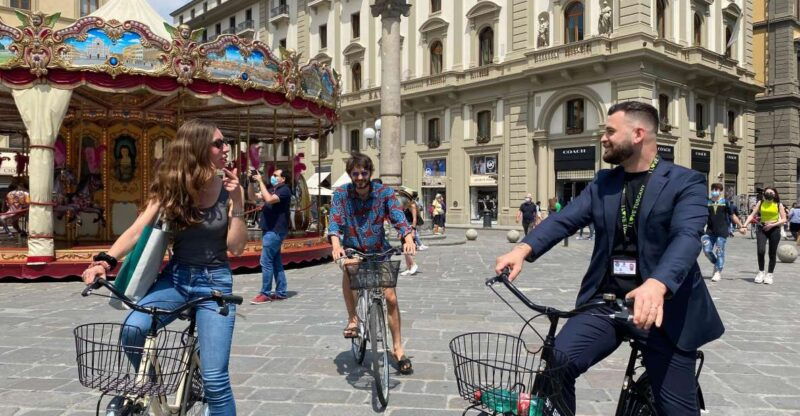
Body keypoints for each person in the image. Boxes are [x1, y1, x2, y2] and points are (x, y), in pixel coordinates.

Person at [496, 101, 723, 415]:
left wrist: (657, 285)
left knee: (677, 409)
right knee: (558, 361)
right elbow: (565, 220)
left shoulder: (686, 183)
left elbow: (686, 238)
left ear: (638, 133)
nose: (603, 137)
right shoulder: (604, 182)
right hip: (606, 303)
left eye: (610, 131)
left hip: (662, 310)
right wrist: (522, 249)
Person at [81, 119, 247, 416]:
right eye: (218, 143)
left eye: (225, 142)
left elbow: (235, 247)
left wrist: (238, 201)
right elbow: (137, 229)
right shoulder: (171, 186)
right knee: (133, 329)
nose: (226, 149)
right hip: (177, 278)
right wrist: (105, 260)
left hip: (215, 284)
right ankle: (152, 389)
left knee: (215, 381)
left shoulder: (230, 189)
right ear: (197, 149)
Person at [328, 153, 416, 374]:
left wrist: (407, 238)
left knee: (390, 297)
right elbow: (335, 221)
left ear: (370, 173)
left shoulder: (384, 193)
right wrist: (336, 245)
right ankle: (353, 319)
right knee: (350, 267)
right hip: (352, 248)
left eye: (364, 172)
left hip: (379, 250)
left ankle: (397, 348)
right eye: (355, 173)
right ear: (350, 174)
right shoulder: (341, 194)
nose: (360, 177)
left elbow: (398, 216)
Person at [250, 168, 293, 304]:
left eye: (275, 175)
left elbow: (268, 199)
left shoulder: (284, 190)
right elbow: (252, 197)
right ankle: (281, 292)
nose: (273, 177)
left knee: (266, 261)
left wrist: (261, 181)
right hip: (270, 230)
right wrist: (251, 183)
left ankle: (265, 293)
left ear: (283, 179)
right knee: (275, 262)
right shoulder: (273, 189)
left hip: (275, 230)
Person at [702, 183, 746, 282]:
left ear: (721, 191)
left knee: (720, 251)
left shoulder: (725, 202)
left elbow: (732, 216)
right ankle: (717, 263)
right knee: (707, 250)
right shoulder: (707, 202)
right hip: (709, 231)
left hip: (722, 231)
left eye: (717, 189)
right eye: (713, 189)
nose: (715, 191)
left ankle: (718, 271)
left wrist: (741, 226)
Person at [744, 187, 788, 284]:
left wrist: (773, 224)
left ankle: (769, 274)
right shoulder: (761, 203)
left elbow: (784, 219)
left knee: (772, 253)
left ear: (775, 194)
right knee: (761, 250)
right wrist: (744, 225)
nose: (769, 194)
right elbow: (751, 215)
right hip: (762, 228)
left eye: (771, 192)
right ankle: (761, 272)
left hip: (774, 229)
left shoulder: (778, 204)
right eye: (767, 192)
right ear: (764, 194)